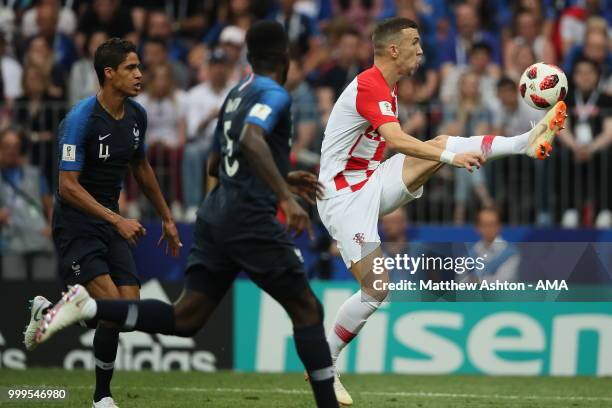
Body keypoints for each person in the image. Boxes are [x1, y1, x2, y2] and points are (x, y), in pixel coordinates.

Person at [32, 22, 339, 408]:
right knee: (308, 309)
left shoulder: (234, 94)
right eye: (131, 67)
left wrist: (277, 176)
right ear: (286, 59)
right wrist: (285, 196)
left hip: (214, 217)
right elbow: (249, 140)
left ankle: (89, 312)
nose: (140, 74)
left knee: (186, 318)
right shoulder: (273, 93)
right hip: (243, 218)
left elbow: (214, 163)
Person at [315, 17, 567, 405]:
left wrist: (446, 153)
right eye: (414, 43)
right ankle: (324, 365)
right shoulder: (369, 84)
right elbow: (396, 139)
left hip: (370, 180)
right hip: (342, 197)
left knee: (445, 137)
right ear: (393, 49)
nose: (422, 49)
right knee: (377, 289)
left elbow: (400, 144)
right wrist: (450, 158)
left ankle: (524, 141)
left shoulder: (389, 87)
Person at [23, 38, 182, 408]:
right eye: (130, 68)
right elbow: (67, 186)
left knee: (127, 312)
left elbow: (140, 166)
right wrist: (118, 219)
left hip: (110, 223)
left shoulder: (136, 116)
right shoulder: (80, 120)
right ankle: (101, 397)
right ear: (108, 74)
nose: (140, 74)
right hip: (77, 225)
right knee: (110, 304)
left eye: (139, 66)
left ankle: (49, 312)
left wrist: (167, 218)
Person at [0, 128, 55, 281]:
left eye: (15, 146)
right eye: (6, 145)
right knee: (14, 294)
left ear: (20, 148)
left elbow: (49, 205)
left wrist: (51, 227)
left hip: (40, 238)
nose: (11, 150)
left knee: (44, 295)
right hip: (12, 242)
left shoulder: (34, 174)